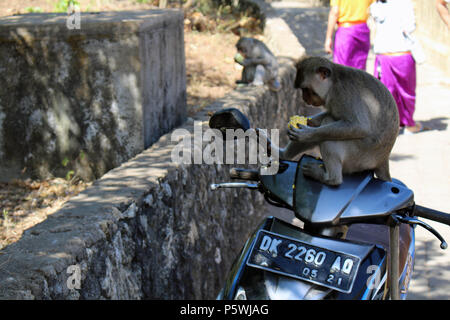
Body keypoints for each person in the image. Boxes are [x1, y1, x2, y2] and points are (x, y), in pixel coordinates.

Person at [370, 0, 426, 134]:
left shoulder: (376, 6)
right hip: (403, 53)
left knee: (385, 92)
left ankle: (387, 125)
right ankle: (409, 125)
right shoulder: (406, 4)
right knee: (407, 92)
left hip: (384, 55)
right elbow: (410, 27)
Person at [325, 0, 375, 70]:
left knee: (341, 69)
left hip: (346, 32)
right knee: (360, 70)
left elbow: (335, 12)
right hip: (363, 30)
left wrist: (328, 38)